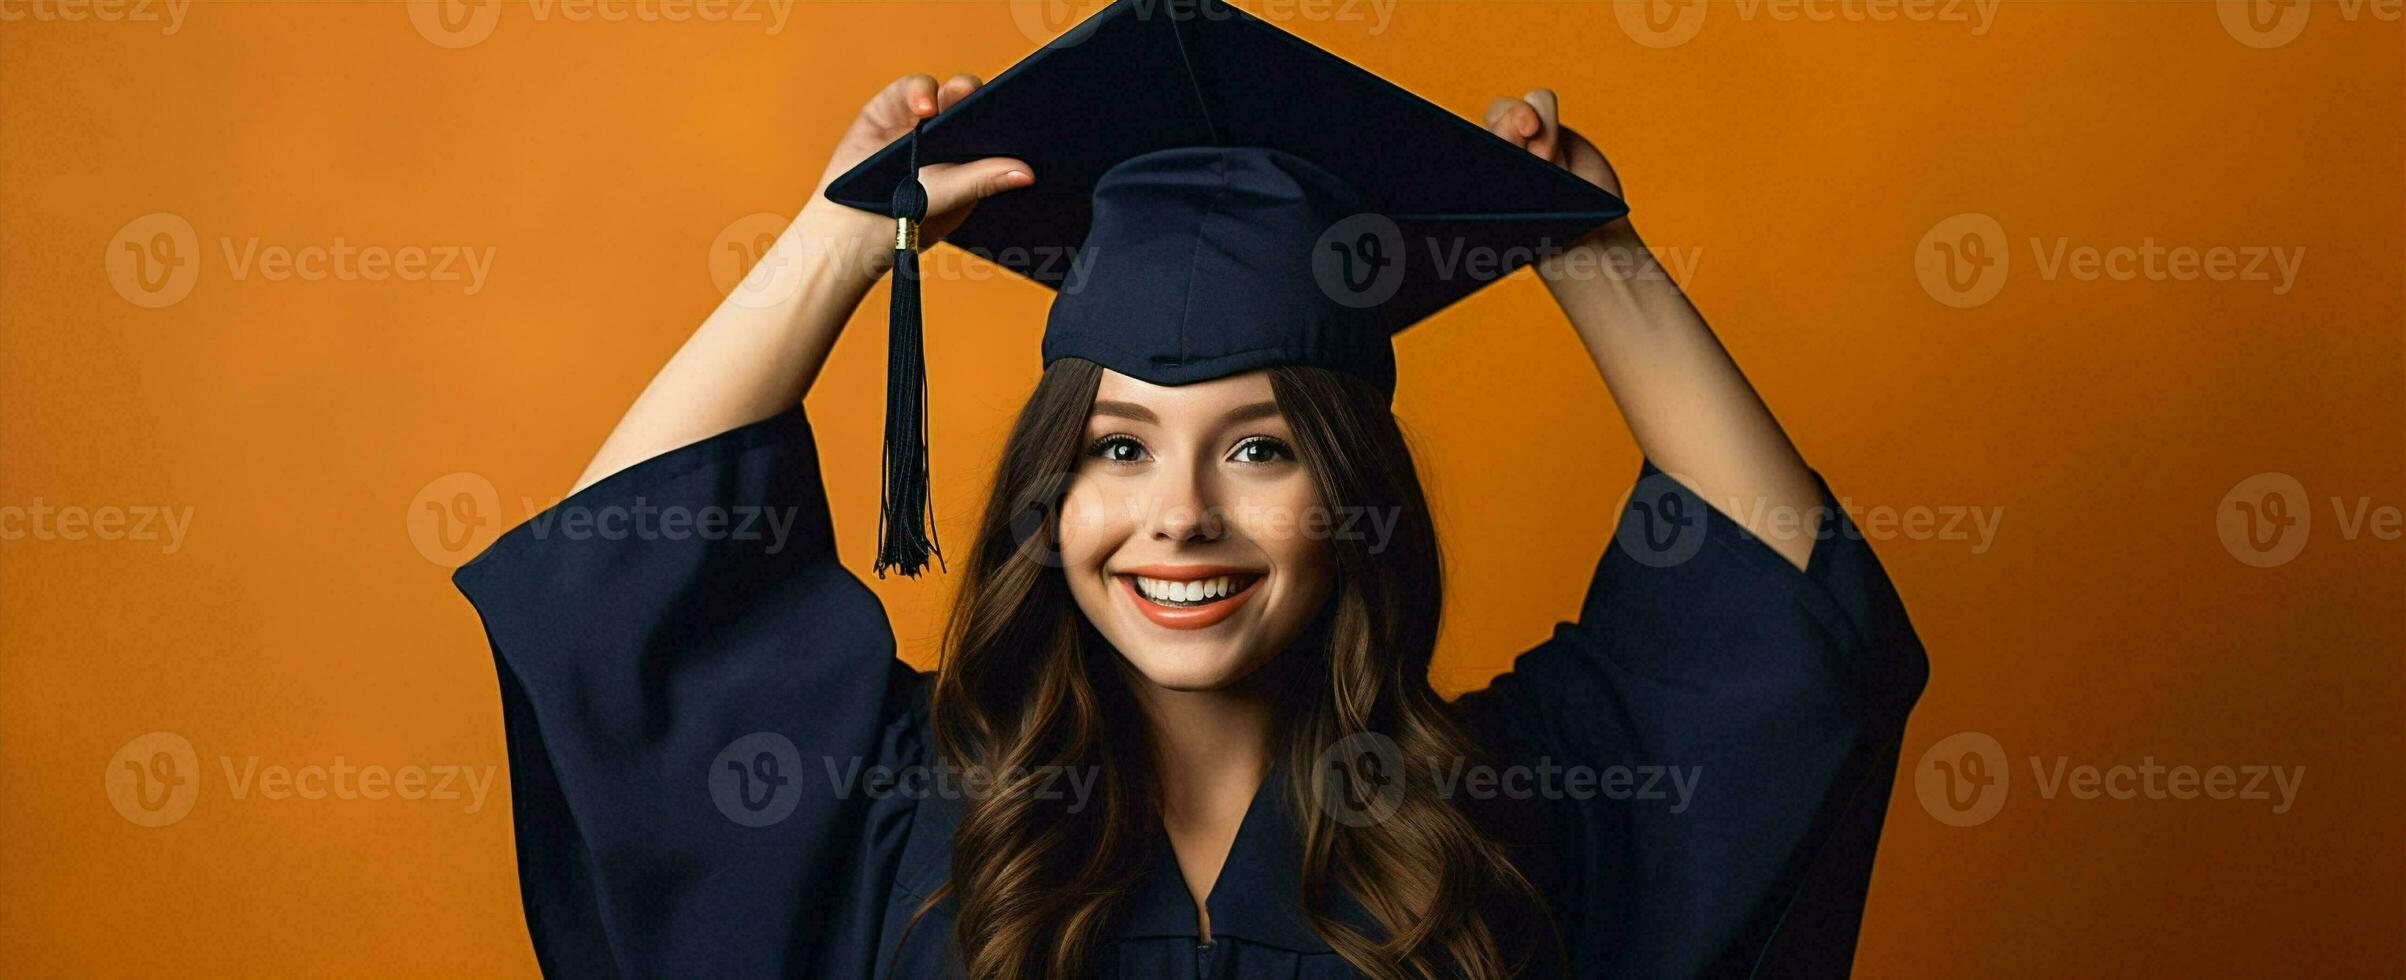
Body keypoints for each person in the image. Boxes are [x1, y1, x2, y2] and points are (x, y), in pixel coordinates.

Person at [451, 3, 1928, 977]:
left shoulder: (1496, 820)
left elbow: (1786, 633)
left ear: (1350, 500)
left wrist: (1580, 242)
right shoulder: (908, 818)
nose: (1178, 515)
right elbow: (617, 597)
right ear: (1052, 498)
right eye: (1116, 446)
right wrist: (840, 242)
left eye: (1260, 446)